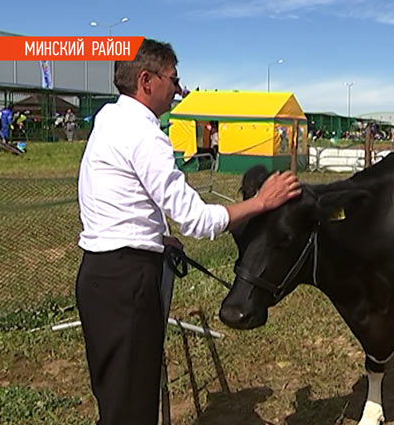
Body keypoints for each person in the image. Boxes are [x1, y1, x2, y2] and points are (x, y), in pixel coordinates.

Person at [76, 38, 301, 425]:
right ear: (146, 80)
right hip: (128, 282)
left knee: (115, 397)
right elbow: (195, 219)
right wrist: (261, 202)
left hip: (99, 275)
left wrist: (154, 234)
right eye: (173, 80)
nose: (178, 90)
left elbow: (112, 195)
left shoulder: (110, 119)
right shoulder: (145, 134)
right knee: (131, 409)